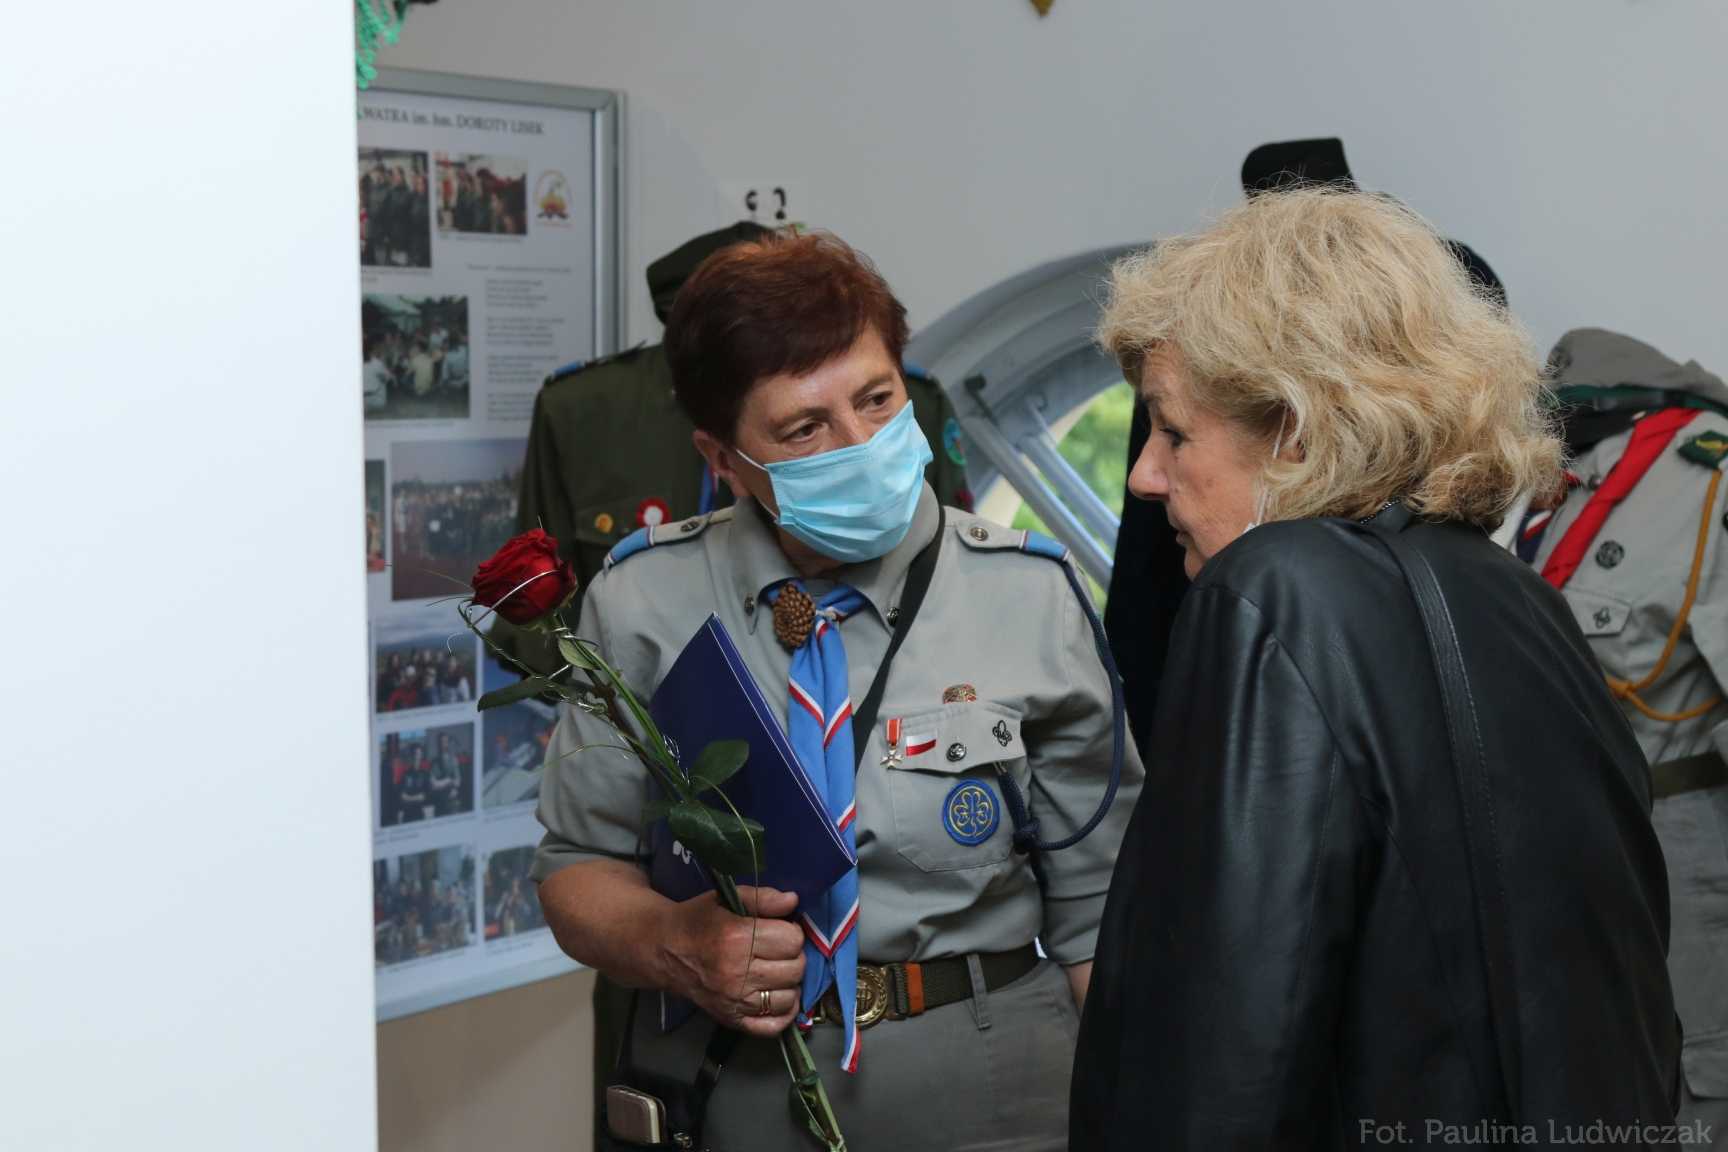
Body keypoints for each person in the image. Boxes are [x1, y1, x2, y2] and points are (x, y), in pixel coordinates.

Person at [1070, 189, 1680, 1148]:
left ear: (1297, 431)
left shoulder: (1271, 590)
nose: (1146, 476)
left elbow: (1224, 1041)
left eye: (1174, 432)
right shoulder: (1520, 598)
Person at [532, 230, 1140, 1151]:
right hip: (744, 1088)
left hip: (994, 1086)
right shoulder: (643, 602)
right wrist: (676, 942)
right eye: (804, 429)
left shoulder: (1030, 594)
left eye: (877, 399)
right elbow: (577, 865)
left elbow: (1102, 915)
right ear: (723, 458)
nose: (861, 444)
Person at [1517, 328, 1728, 1148]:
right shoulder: (1558, 488)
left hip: (1683, 844)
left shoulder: (1705, 476)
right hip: (1568, 852)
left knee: (1700, 1083)